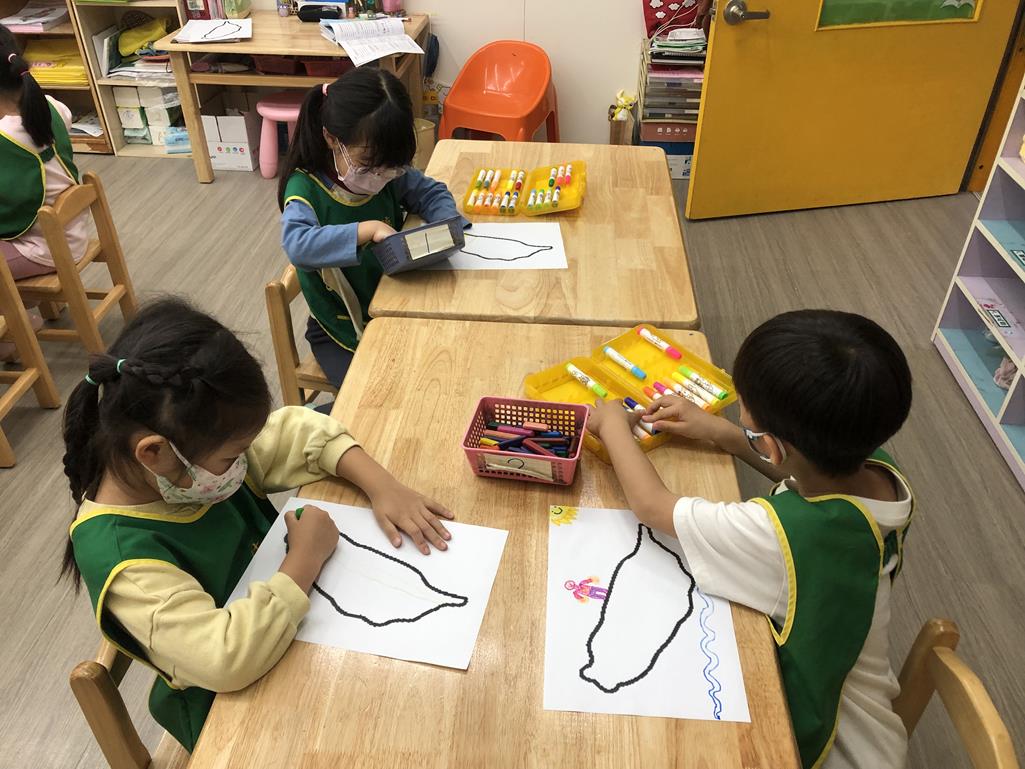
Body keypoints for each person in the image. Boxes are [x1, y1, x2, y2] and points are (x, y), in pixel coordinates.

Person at [61, 298, 454, 751]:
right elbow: (224, 658)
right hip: (231, 716)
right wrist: (305, 557)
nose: (241, 463)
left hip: (294, 641)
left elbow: (297, 431)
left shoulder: (186, 462)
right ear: (154, 452)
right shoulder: (123, 560)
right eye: (231, 457)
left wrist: (383, 486)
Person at [586, 309, 915, 769]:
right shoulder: (879, 474)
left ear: (773, 445)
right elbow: (803, 473)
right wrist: (727, 435)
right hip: (874, 726)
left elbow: (652, 505)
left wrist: (611, 426)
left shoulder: (779, 534)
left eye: (745, 414)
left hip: (829, 745)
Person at [278, 67, 467, 389]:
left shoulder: (387, 167)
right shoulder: (305, 190)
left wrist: (446, 226)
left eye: (390, 168)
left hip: (395, 302)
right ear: (331, 139)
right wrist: (367, 229)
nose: (380, 176)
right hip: (342, 329)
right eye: (368, 164)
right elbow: (298, 245)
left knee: (445, 367)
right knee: (380, 395)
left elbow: (431, 192)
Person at [0, 26, 88, 358]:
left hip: (40, 247)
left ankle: (16, 330)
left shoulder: (5, 137)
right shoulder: (50, 105)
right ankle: (25, 306)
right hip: (68, 231)